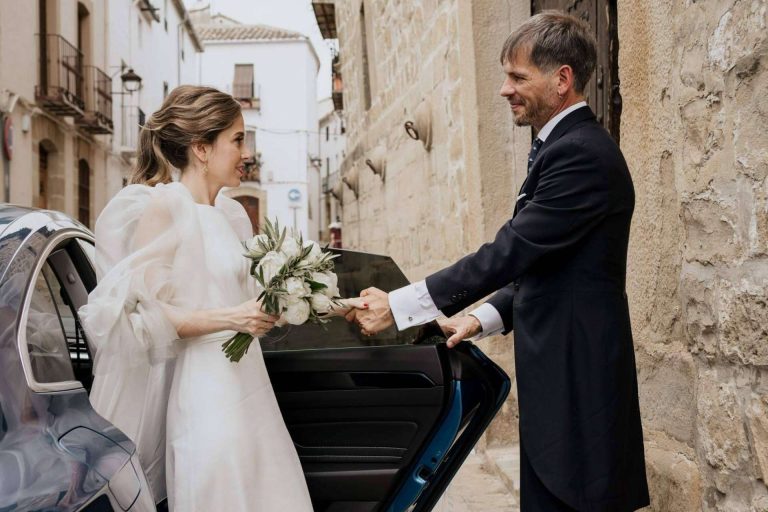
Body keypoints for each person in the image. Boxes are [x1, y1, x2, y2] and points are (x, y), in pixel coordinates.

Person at [347, 11, 650, 512]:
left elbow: (510, 251)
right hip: (557, 378)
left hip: (577, 379)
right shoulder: (560, 147)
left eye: (517, 77)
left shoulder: (580, 154)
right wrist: (479, 317)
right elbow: (547, 261)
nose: (505, 89)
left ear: (562, 79)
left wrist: (404, 306)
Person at [80, 86, 358, 511]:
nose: (245, 153)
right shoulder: (165, 206)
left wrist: (339, 306)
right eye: (238, 139)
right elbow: (145, 317)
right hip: (205, 392)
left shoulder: (229, 215)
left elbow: (259, 306)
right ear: (201, 149)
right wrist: (231, 319)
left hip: (249, 385)